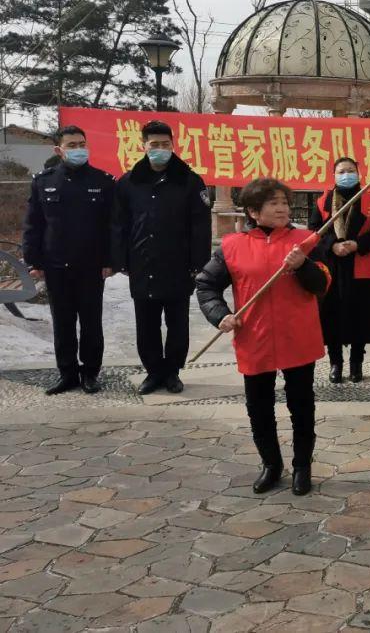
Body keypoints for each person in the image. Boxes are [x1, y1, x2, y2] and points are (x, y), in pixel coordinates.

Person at [195, 178, 330, 496]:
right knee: (259, 407)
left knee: (301, 405)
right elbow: (206, 285)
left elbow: (322, 284)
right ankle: (271, 464)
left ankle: (302, 467)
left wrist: (303, 265)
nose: (283, 207)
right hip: (253, 337)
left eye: (285, 201)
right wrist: (220, 315)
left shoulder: (305, 240)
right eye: (274, 203)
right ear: (254, 211)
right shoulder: (231, 246)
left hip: (298, 336)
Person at [112, 120, 211, 395]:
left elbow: (200, 227)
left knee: (178, 324)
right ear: (143, 146)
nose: (160, 149)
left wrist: (198, 264)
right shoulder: (129, 182)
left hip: (178, 266)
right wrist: (121, 260)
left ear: (173, 145)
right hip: (142, 265)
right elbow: (119, 224)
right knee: (146, 325)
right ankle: (154, 372)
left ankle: (172, 372)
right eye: (154, 144)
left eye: (165, 144)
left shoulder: (190, 181)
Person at [22, 126, 115, 395]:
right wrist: (33, 261)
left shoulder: (103, 181)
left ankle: (90, 374)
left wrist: (110, 260)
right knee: (62, 324)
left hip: (91, 265)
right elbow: (33, 225)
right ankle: (67, 374)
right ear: (58, 150)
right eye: (72, 145)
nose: (78, 149)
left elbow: (112, 226)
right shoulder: (44, 181)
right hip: (55, 265)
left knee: (91, 323)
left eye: (82, 144)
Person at [309, 157, 370, 383]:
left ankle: (356, 364)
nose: (346, 174)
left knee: (360, 316)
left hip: (360, 264)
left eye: (350, 170)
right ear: (334, 175)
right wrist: (332, 245)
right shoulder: (323, 202)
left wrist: (357, 245)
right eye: (342, 171)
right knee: (332, 316)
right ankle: (336, 363)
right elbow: (314, 230)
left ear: (358, 173)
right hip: (332, 266)